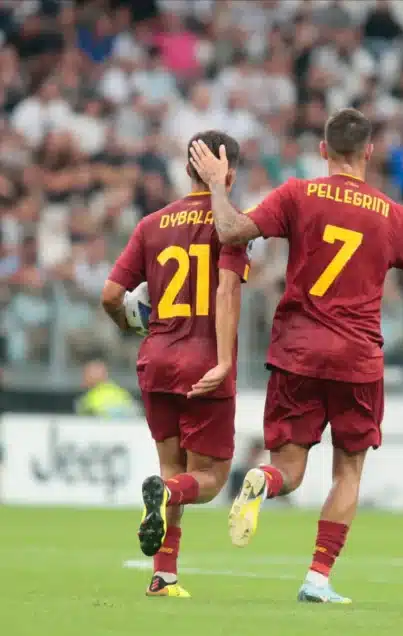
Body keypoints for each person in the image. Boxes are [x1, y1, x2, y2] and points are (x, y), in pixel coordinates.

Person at [189, 107, 403, 604]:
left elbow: (232, 232)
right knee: (348, 471)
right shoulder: (393, 215)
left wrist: (217, 185)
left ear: (324, 150)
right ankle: (317, 578)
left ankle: (263, 478)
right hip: (356, 359)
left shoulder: (298, 194)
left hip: (296, 351)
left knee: (291, 470)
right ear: (368, 152)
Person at [100, 130, 250, 598]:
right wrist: (224, 359)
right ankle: (164, 504)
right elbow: (227, 294)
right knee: (209, 480)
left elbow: (110, 295)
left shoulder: (151, 224)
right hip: (205, 360)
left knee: (171, 471)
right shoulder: (232, 226)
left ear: (187, 168)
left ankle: (163, 576)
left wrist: (130, 325)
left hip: (158, 358)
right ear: (229, 172)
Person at [74, 359, 141, 418]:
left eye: (86, 374)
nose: (83, 378)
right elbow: (136, 412)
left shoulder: (88, 400)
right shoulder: (120, 392)